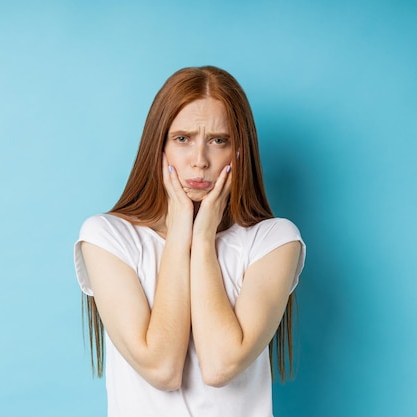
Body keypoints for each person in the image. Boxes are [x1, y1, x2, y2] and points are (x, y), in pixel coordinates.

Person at [73, 66, 306, 417]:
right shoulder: (107, 237)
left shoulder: (273, 241)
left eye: (218, 140)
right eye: (182, 139)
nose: (200, 161)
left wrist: (202, 235)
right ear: (159, 146)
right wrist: (181, 229)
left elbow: (220, 365)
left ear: (239, 151)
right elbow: (162, 368)